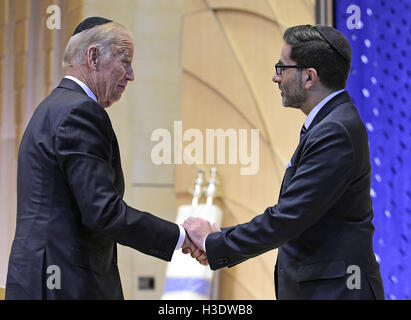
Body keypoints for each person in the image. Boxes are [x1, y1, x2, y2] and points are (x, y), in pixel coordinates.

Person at [5, 17, 204, 300]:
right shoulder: (79, 112)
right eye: (125, 61)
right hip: (64, 284)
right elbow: (104, 213)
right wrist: (182, 236)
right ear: (94, 57)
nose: (131, 74)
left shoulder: (51, 108)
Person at [183, 24, 385, 300]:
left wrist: (213, 242)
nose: (276, 78)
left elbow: (289, 217)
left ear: (309, 77)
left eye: (282, 67)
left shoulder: (335, 129)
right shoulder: (332, 122)